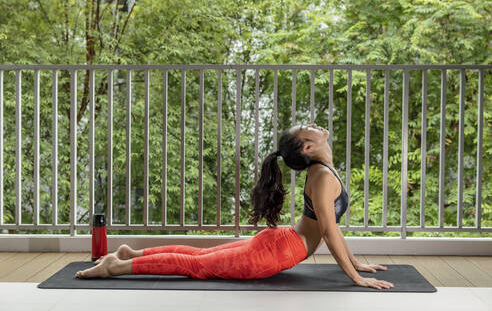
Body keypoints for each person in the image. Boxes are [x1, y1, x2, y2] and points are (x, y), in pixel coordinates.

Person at [75, 123, 394, 290]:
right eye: (304, 127)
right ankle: (115, 266)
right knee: (197, 265)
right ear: (309, 147)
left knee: (200, 258)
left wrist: (358, 264)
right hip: (276, 251)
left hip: (280, 243)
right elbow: (327, 230)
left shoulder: (322, 172)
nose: (310, 123)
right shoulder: (323, 177)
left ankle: (131, 253)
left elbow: (331, 228)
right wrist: (355, 277)